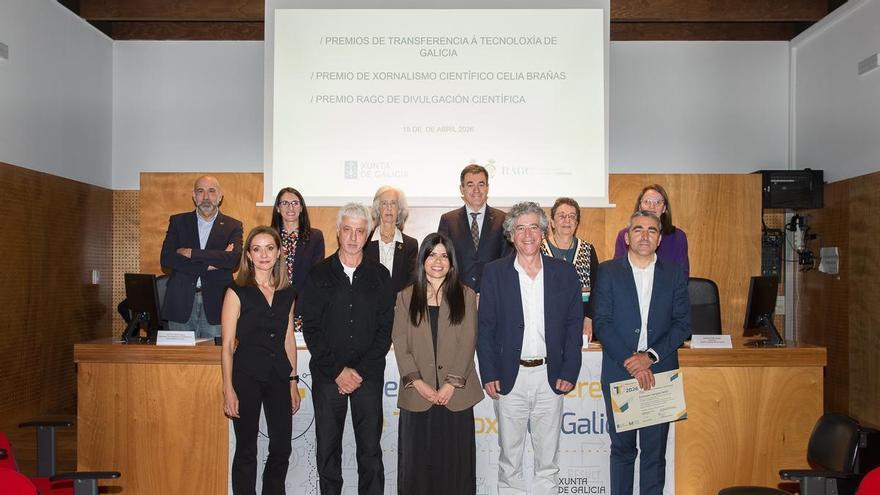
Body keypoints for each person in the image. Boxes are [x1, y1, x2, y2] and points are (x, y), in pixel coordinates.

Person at [477, 201, 583, 495]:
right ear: (511, 235)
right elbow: (485, 327)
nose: (527, 235)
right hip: (509, 377)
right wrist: (489, 373)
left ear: (543, 232)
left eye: (534, 227)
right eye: (520, 228)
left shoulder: (564, 273)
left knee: (548, 461)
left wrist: (570, 370)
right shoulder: (494, 272)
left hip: (550, 376)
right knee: (510, 460)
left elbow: (574, 325)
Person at [298, 203, 394, 495]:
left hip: (369, 376)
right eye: (348, 230)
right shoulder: (318, 274)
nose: (353, 237)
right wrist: (338, 371)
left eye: (360, 231)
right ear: (338, 232)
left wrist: (358, 372)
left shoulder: (381, 276)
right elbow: (311, 329)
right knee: (328, 452)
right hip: (329, 376)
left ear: (367, 235)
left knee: (370, 452)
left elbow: (385, 330)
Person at [594, 211, 690, 495]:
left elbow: (683, 324)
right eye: (638, 229)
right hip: (619, 371)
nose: (644, 236)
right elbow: (602, 322)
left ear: (659, 239)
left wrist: (649, 357)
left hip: (660, 373)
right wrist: (632, 362)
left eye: (652, 230)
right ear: (627, 237)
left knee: (654, 455)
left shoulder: (674, 274)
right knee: (622, 451)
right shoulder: (608, 271)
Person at [392, 233, 484, 494]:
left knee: (454, 468)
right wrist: (418, 383)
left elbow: (468, 342)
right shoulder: (405, 297)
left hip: (454, 396)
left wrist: (451, 384)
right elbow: (400, 342)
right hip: (418, 395)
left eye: (444, 256)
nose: (438, 261)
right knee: (417, 468)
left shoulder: (466, 295)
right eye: (432, 255)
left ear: (452, 263)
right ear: (422, 260)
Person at [221, 226, 301, 495]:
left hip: (279, 376)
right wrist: (228, 388)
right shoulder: (236, 291)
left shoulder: (288, 292)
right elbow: (227, 345)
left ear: (279, 253)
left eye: (269, 248)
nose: (264, 254)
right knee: (246, 449)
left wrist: (293, 382)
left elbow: (288, 339)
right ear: (249, 255)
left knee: (282, 447)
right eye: (257, 249)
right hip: (246, 377)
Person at [160, 175, 243, 338]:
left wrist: (191, 253)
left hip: (217, 304)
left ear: (220, 196)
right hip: (180, 302)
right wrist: (208, 265)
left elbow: (232, 259)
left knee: (214, 353)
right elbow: (167, 258)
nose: (206, 197)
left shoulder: (233, 226)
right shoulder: (178, 222)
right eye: (200, 191)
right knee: (179, 354)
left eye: (211, 191)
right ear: (194, 195)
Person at [437, 163, 510, 293]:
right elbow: (442, 259)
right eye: (470, 185)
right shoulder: (448, 220)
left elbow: (507, 261)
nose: (476, 190)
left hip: (493, 294)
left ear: (487, 188)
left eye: (481, 184)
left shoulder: (503, 219)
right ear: (462, 189)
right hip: (457, 295)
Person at [541, 197, 600, 342]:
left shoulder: (587, 249)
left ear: (577, 223)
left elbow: (597, 289)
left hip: (581, 323)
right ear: (552, 222)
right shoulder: (539, 249)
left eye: (572, 216)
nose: (567, 220)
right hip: (545, 323)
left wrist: (589, 319)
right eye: (561, 216)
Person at [613, 184, 689, 277]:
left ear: (664, 208)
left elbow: (682, 275)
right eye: (646, 202)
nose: (652, 206)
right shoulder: (625, 234)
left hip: (666, 285)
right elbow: (617, 271)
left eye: (658, 202)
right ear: (640, 207)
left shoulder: (678, 237)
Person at [270, 187, 325, 291]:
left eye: (295, 203)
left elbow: (316, 273)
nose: (290, 207)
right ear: (278, 208)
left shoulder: (315, 237)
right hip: (273, 295)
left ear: (301, 208)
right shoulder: (269, 237)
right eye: (285, 203)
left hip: (305, 296)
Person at [365, 185, 418, 294]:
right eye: (384, 203)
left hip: (399, 303)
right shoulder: (364, 241)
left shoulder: (410, 245)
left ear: (399, 209)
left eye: (393, 203)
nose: (389, 208)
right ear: (378, 208)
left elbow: (411, 282)